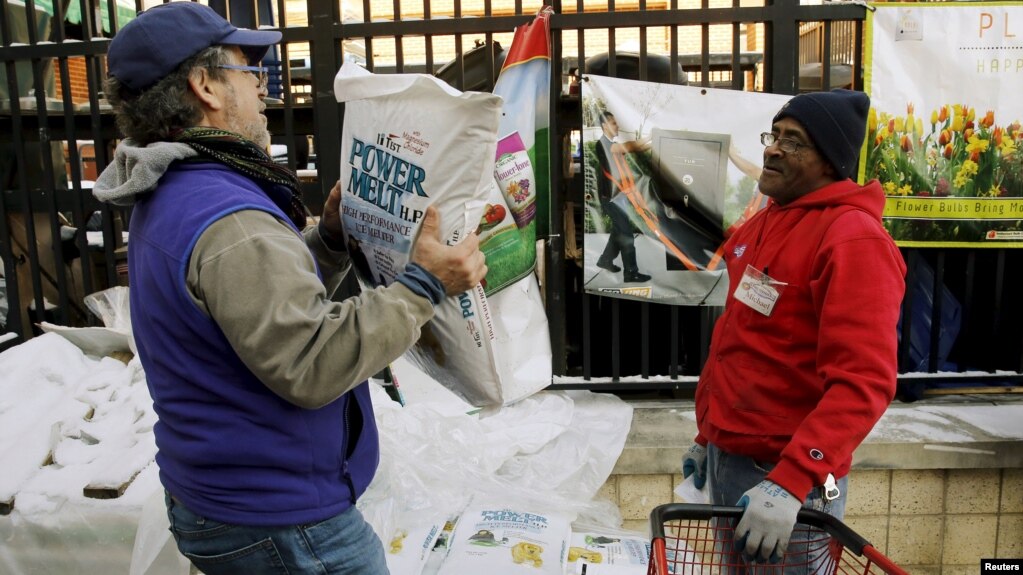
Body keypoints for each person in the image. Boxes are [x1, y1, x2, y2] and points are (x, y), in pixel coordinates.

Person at [92, 4, 486, 574]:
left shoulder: (177, 188)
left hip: (225, 494)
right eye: (248, 65)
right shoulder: (229, 217)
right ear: (204, 85)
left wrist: (324, 240)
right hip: (280, 521)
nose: (263, 83)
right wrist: (425, 284)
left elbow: (241, 302)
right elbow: (311, 362)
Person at [681, 89, 906, 569]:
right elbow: (746, 341)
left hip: (788, 483)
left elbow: (863, 382)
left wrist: (792, 478)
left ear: (830, 162)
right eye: (775, 135)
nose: (774, 148)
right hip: (734, 460)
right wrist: (709, 434)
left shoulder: (853, 239)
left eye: (795, 141)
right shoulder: (770, 220)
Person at [593, 111, 652, 283]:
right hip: (611, 198)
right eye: (613, 123)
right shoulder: (603, 144)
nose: (617, 125)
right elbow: (631, 146)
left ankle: (605, 260)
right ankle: (631, 273)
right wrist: (650, 136)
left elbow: (638, 148)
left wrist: (656, 141)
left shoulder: (612, 144)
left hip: (619, 196)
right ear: (604, 126)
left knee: (618, 231)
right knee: (626, 234)